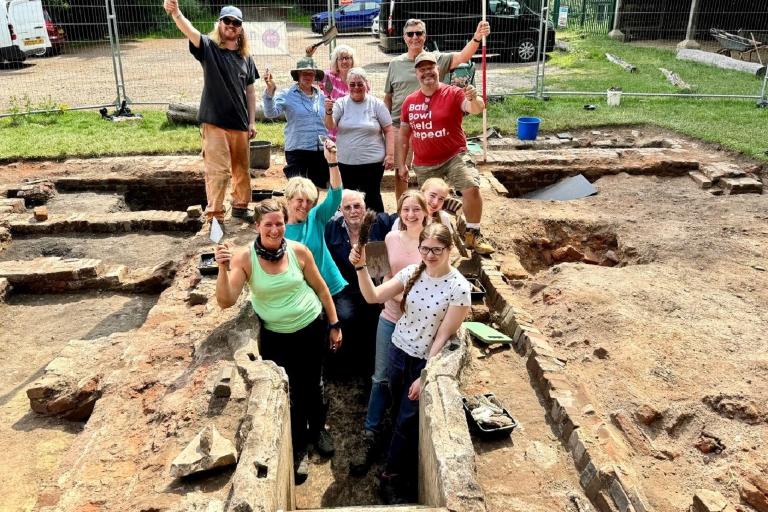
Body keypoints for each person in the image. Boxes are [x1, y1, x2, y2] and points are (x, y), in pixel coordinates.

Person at [213, 199, 343, 485]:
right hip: (277, 336)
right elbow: (225, 301)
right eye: (268, 224)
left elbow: (321, 288)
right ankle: (299, 448)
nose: (275, 230)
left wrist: (334, 324)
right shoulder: (245, 259)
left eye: (279, 223)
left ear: (286, 223)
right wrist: (222, 269)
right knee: (292, 391)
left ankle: (319, 430)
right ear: (257, 226)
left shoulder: (298, 251)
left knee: (314, 382)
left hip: (311, 327)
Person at [350, 222, 471, 503]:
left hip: (422, 361)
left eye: (436, 250)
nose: (430, 255)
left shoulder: (459, 288)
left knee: (407, 418)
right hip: (398, 350)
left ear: (449, 250)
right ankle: (395, 453)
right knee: (399, 408)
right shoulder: (412, 273)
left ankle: (390, 476)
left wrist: (425, 374)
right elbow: (373, 296)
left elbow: (443, 334)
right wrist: (361, 268)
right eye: (425, 249)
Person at [348, 190, 427, 477]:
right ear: (400, 212)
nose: (410, 215)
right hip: (391, 318)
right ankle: (371, 433)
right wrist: (361, 262)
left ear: (425, 212)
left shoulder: (432, 242)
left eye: (416, 209)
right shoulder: (391, 239)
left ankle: (398, 436)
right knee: (380, 378)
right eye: (405, 209)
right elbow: (380, 276)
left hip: (421, 326)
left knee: (407, 382)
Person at [163, 1, 257, 223]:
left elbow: (250, 92)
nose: (231, 25)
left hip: (241, 124)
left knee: (242, 171)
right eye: (227, 21)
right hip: (215, 123)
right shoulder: (209, 48)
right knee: (218, 172)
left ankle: (240, 208)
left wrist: (252, 122)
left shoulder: (246, 58)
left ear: (241, 28)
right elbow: (190, 31)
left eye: (236, 23)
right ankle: (215, 217)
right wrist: (176, 13)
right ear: (220, 24)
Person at [384, 18, 491, 201]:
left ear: (425, 36)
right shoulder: (395, 64)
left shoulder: (436, 59)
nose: (415, 37)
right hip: (400, 125)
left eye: (419, 33)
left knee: (434, 172)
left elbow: (463, 57)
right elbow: (388, 96)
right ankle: (403, 209)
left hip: (430, 123)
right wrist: (385, 126)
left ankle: (438, 205)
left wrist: (476, 37)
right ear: (404, 37)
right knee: (400, 170)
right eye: (410, 34)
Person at [399, 52, 494, 255]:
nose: (427, 73)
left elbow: (476, 108)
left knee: (470, 185)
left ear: (438, 70)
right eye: (422, 69)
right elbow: (404, 135)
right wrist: (402, 163)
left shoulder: (454, 93)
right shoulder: (409, 102)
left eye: (430, 68)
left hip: (454, 155)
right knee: (429, 205)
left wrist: (474, 98)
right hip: (424, 162)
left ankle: (473, 234)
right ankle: (431, 240)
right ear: (416, 73)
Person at [324, 189, 395, 372]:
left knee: (377, 319)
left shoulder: (380, 222)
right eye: (348, 207)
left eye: (357, 206)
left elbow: (406, 216)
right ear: (340, 210)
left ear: (365, 207)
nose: (353, 210)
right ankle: (347, 366)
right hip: (346, 288)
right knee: (346, 316)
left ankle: (371, 364)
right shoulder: (331, 228)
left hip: (376, 286)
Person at [324, 67, 394, 213]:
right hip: (345, 162)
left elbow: (388, 130)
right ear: (347, 85)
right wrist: (328, 111)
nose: (356, 87)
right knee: (349, 198)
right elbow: (330, 126)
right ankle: (350, 229)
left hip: (373, 163)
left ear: (366, 84)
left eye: (360, 84)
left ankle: (376, 230)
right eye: (352, 84)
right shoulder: (341, 103)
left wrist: (390, 155)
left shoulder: (377, 104)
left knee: (372, 197)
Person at [263, 56, 330, 188]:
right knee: (299, 191)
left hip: (320, 151)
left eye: (311, 73)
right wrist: (270, 92)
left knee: (316, 190)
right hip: (297, 150)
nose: (307, 76)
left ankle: (314, 210)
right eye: (304, 73)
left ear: (315, 75)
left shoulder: (321, 96)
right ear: (298, 75)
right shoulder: (287, 94)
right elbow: (270, 113)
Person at [306, 44, 357, 139]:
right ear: (336, 62)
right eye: (341, 58)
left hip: (351, 129)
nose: (344, 61)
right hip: (329, 129)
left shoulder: (358, 80)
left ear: (352, 60)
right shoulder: (328, 77)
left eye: (347, 58)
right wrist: (309, 57)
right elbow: (307, 77)